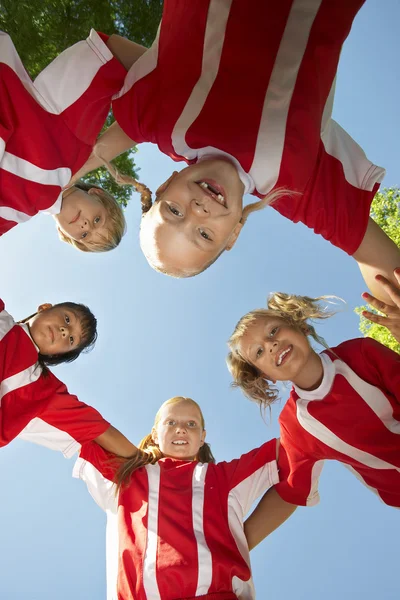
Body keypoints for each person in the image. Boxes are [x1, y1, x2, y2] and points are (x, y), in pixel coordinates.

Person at [72, 0, 399, 303]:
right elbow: (374, 258)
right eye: (203, 234)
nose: (197, 210)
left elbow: (111, 53)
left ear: (163, 186)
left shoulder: (161, 124)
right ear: (234, 234)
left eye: (173, 211)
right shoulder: (291, 186)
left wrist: (58, 183)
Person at [226, 284, 400, 537]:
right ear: (267, 376)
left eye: (273, 331)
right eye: (260, 351)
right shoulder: (296, 424)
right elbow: (291, 491)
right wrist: (236, 549)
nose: (271, 344)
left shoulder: (360, 353)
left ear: (301, 326)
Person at [73, 396, 279, 599]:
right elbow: (78, 424)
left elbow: (288, 449)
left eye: (191, 423)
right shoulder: (126, 474)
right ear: (155, 434)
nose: (181, 429)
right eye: (171, 422)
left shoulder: (224, 477)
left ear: (202, 437)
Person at [0, 29, 130, 251]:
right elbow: (115, 55)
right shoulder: (70, 151)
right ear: (96, 193)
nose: (86, 225)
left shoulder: (15, 217)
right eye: (98, 219)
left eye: (85, 235)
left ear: (64, 234)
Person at [1, 296, 135, 457]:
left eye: (71, 339)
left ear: (59, 354)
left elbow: (99, 429)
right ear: (44, 307)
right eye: (67, 319)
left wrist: (149, 462)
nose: (64, 331)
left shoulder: (43, 390)